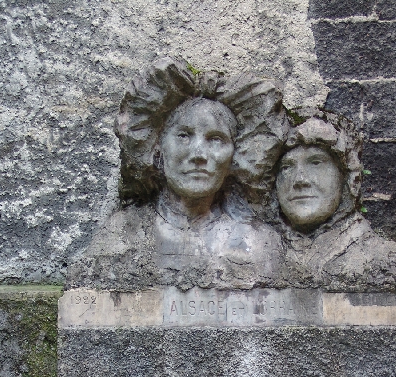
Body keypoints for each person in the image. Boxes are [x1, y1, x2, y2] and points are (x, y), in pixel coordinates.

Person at [68, 57, 288, 291]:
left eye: (216, 139)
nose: (198, 154)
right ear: (157, 148)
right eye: (183, 135)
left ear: (235, 157)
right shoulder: (121, 237)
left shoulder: (259, 244)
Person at [277, 112, 396, 291]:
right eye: (286, 167)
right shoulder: (259, 258)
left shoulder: (388, 263)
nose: (300, 180)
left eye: (316, 163)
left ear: (349, 179)